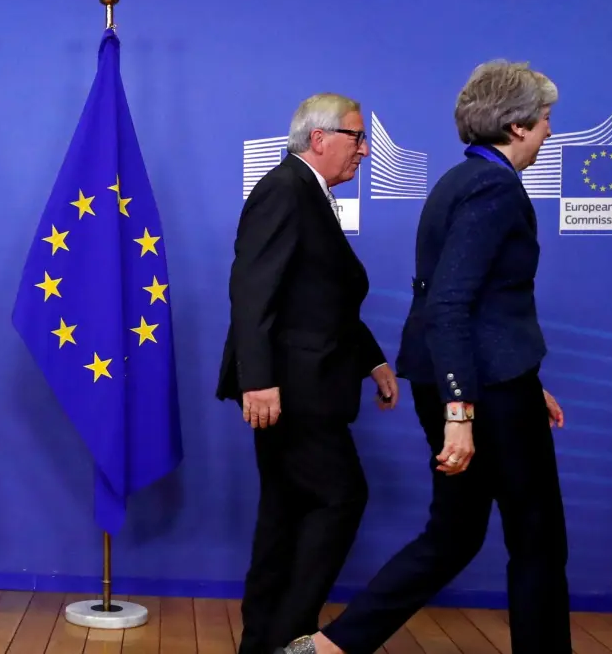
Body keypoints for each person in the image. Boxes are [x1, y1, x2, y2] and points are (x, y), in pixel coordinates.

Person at [278, 60, 572, 654]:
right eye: (544, 119)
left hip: (478, 380)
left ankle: (327, 649)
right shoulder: (493, 188)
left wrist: (523, 381)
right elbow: (451, 301)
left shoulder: (460, 180)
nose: (549, 132)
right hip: (480, 392)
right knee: (537, 539)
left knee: (453, 535)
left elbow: (479, 305)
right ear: (517, 126)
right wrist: (462, 411)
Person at [216, 92, 400, 654]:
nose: (365, 150)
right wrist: (257, 379)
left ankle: (265, 642)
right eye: (357, 137)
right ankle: (291, 637)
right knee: (339, 496)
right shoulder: (285, 189)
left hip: (302, 383)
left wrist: (371, 359)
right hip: (290, 389)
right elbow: (253, 290)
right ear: (319, 138)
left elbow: (319, 297)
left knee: (285, 513)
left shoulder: (308, 192)